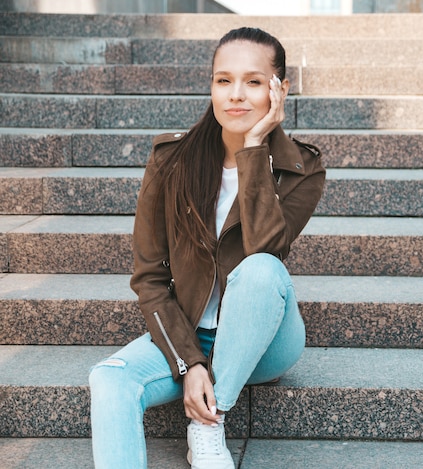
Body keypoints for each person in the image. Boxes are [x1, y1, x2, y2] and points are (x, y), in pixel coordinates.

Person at [89, 26, 326, 469]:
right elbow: (151, 278)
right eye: (223, 80)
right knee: (109, 379)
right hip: (191, 330)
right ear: (211, 86)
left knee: (260, 270)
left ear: (280, 89)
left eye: (253, 82)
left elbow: (266, 248)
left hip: (266, 340)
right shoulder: (171, 161)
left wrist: (253, 149)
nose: (236, 95)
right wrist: (189, 362)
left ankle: (207, 425)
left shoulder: (301, 169)